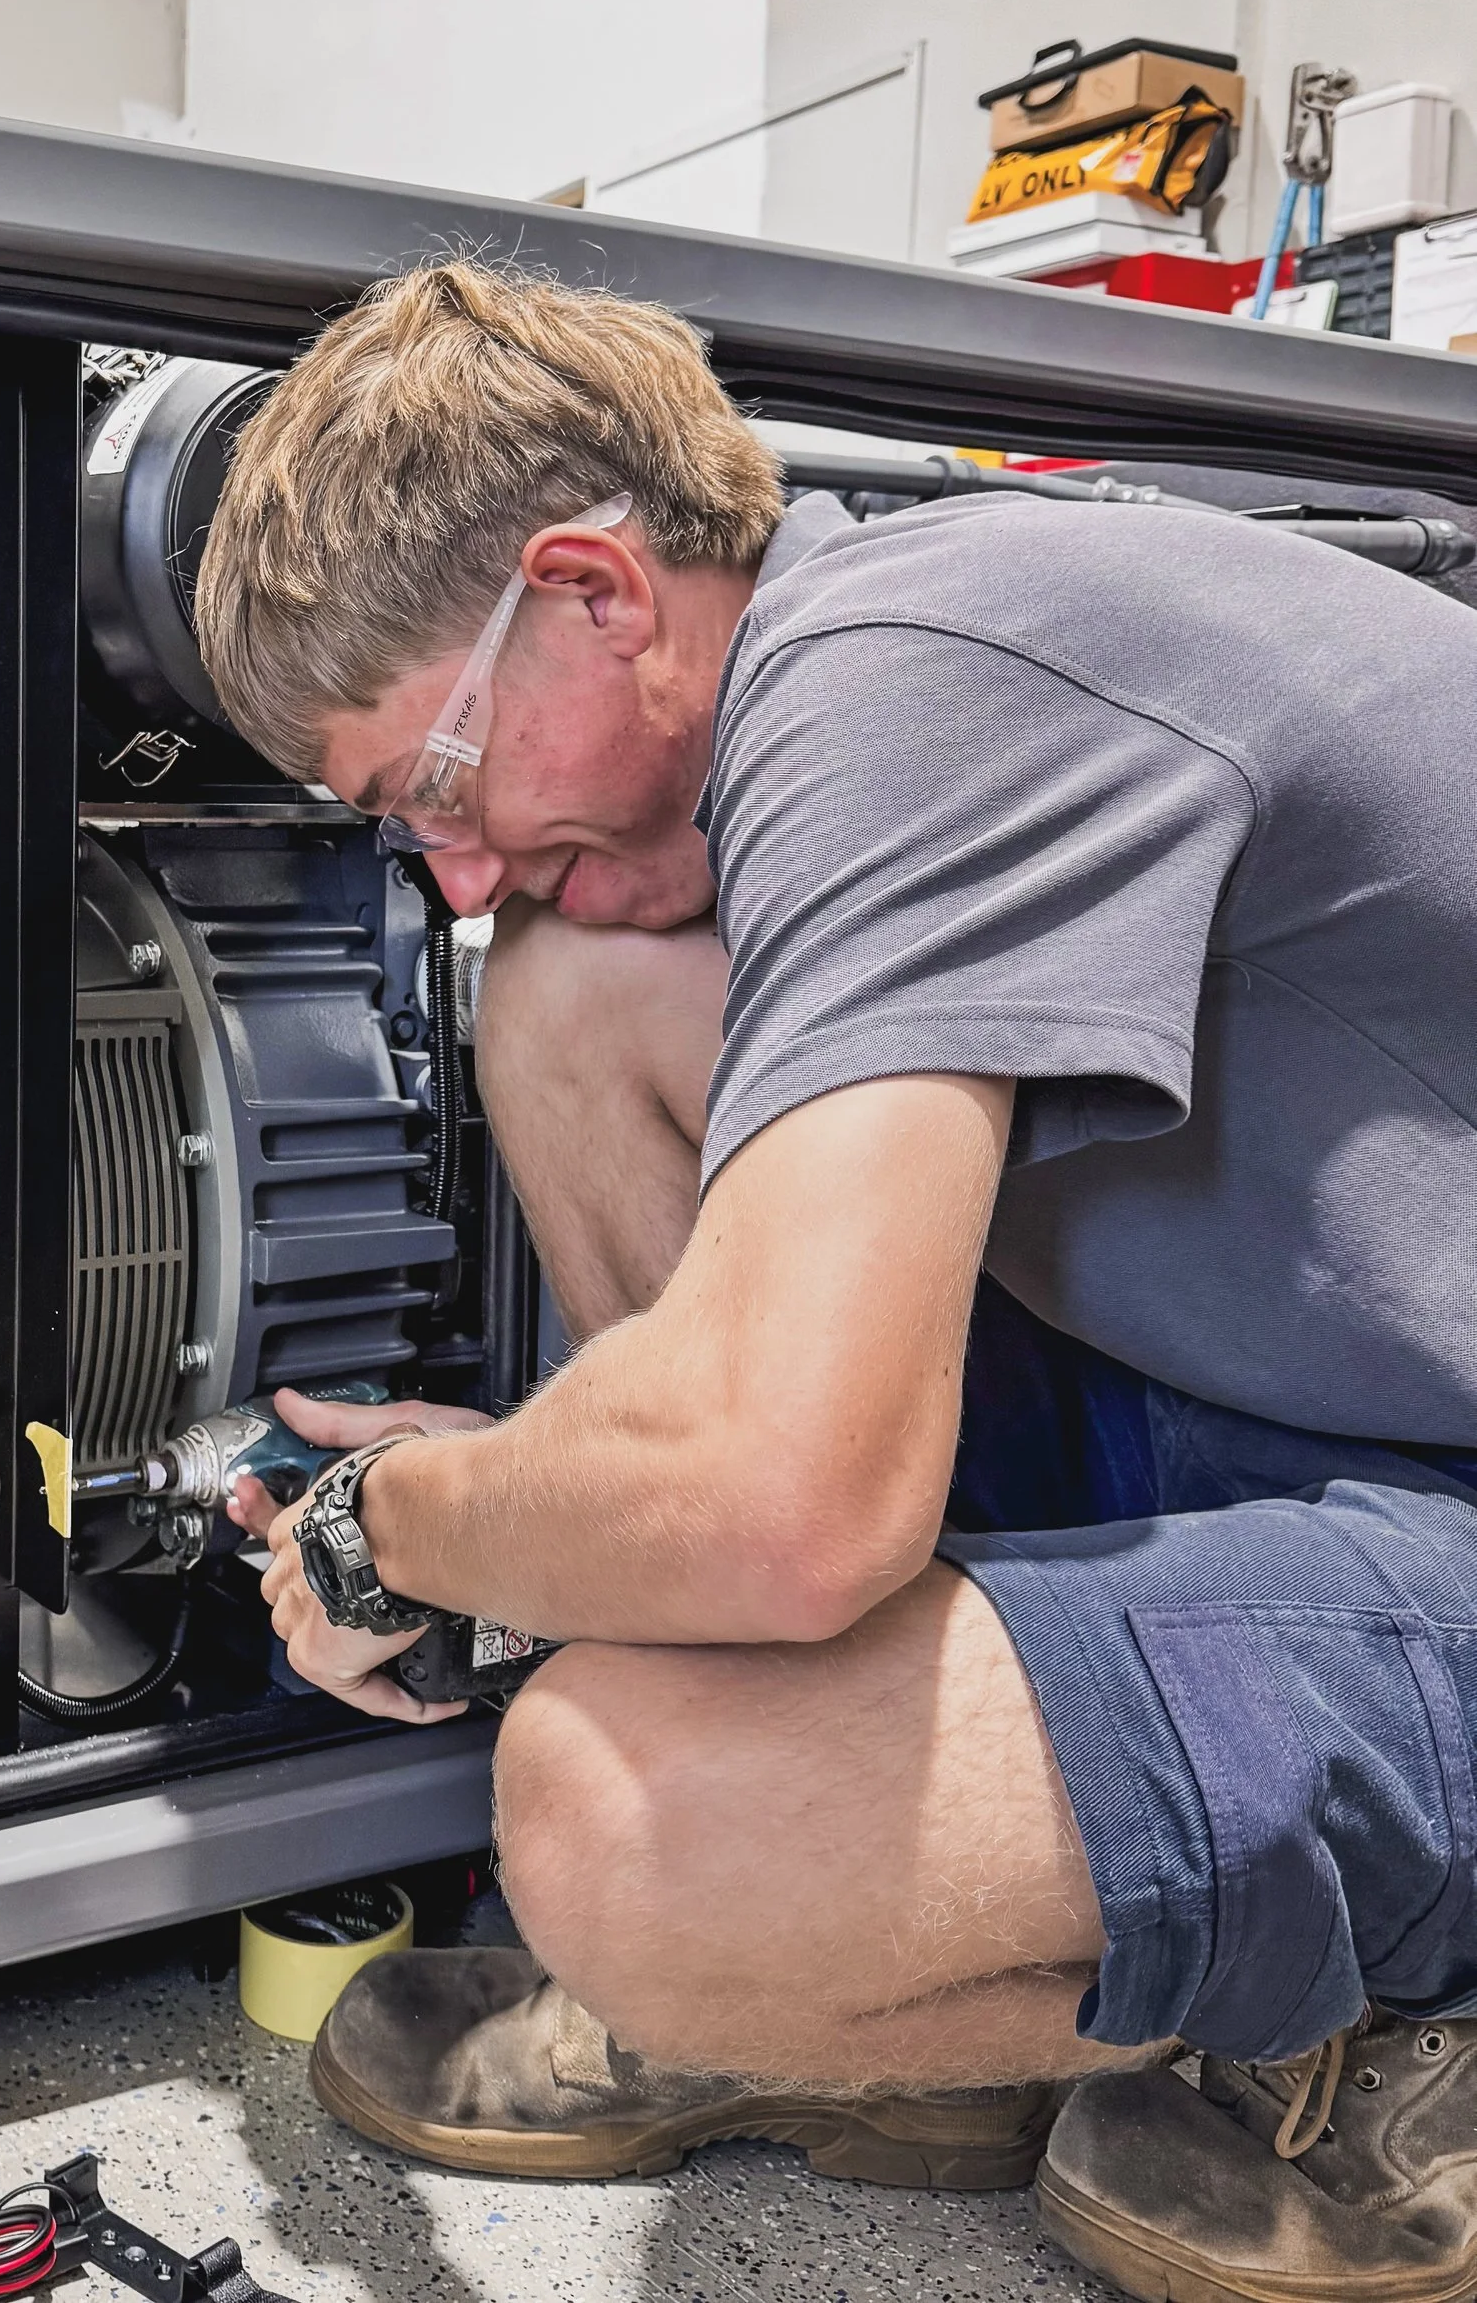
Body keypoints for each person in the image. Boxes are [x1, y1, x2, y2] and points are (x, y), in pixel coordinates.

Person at [194, 257, 1477, 2303]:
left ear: (595, 593)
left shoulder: (902, 676)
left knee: (627, 1826)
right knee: (581, 984)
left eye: (431, 786)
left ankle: (1407, 1992)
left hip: (1427, 1494)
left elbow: (786, 1504)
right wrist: (575, 1492)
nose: (452, 870)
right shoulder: (867, 642)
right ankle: (938, 1984)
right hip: (1311, 1397)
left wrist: (404, 1524)